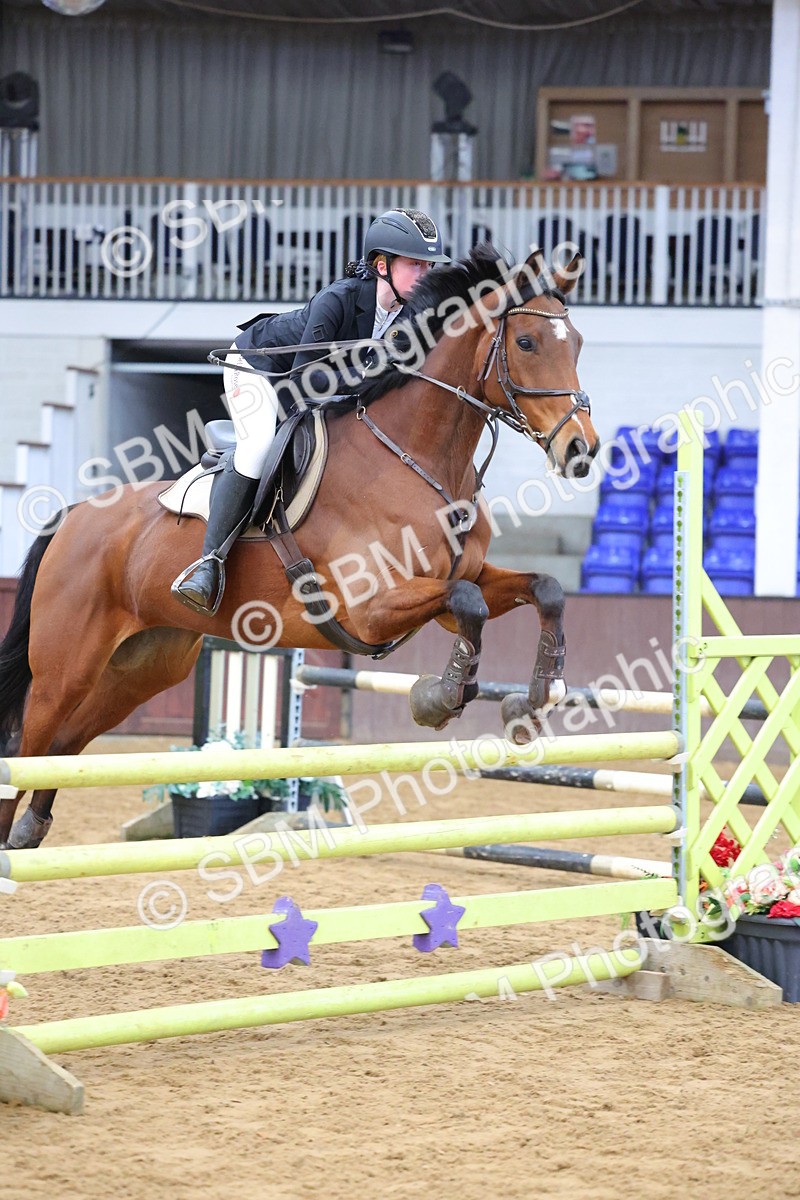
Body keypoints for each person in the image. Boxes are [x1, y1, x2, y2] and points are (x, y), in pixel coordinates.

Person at [172, 208, 449, 615]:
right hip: (260, 371)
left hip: (324, 386)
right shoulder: (338, 299)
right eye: (415, 264)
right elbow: (306, 381)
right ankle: (208, 564)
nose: (424, 273)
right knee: (257, 448)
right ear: (381, 265)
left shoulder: (412, 316)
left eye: (428, 264)